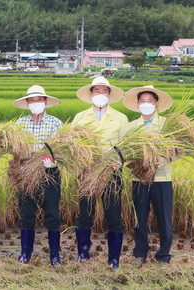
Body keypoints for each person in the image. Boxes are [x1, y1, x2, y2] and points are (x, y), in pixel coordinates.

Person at [71, 77, 128, 269]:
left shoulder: (121, 118)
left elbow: (126, 147)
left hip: (111, 173)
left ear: (110, 95)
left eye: (105, 91)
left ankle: (113, 259)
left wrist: (116, 162)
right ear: (90, 94)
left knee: (113, 215)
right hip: (87, 172)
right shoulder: (80, 117)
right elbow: (73, 145)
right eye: (97, 91)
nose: (101, 95)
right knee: (85, 214)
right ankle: (83, 253)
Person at [121, 85, 174, 266]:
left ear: (156, 103)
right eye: (142, 101)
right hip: (139, 179)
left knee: (165, 218)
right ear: (137, 104)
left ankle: (163, 256)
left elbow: (177, 149)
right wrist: (134, 163)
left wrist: (165, 159)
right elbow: (124, 152)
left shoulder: (167, 124)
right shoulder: (131, 127)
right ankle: (140, 254)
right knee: (139, 219)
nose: (146, 104)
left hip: (162, 179)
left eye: (149, 101)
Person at [12, 85, 63, 267]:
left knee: (52, 215)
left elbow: (63, 151)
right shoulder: (19, 124)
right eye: (32, 100)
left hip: (50, 173)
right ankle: (25, 254)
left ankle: (55, 257)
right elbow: (16, 151)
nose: (36, 103)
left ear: (45, 102)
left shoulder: (56, 123)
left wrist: (54, 161)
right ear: (27, 103)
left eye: (39, 100)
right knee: (27, 214)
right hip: (26, 173)